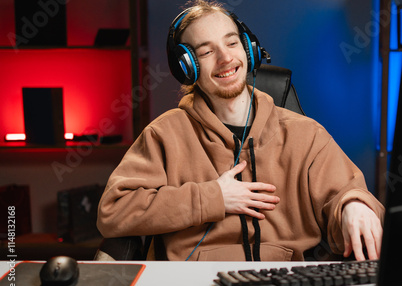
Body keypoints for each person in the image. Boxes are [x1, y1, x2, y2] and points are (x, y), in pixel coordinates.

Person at [97, 0, 384, 262]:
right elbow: (113, 212)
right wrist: (213, 198)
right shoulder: (164, 135)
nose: (225, 58)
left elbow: (345, 192)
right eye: (207, 51)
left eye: (232, 43)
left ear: (248, 49)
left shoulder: (306, 135)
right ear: (187, 67)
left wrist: (354, 206)